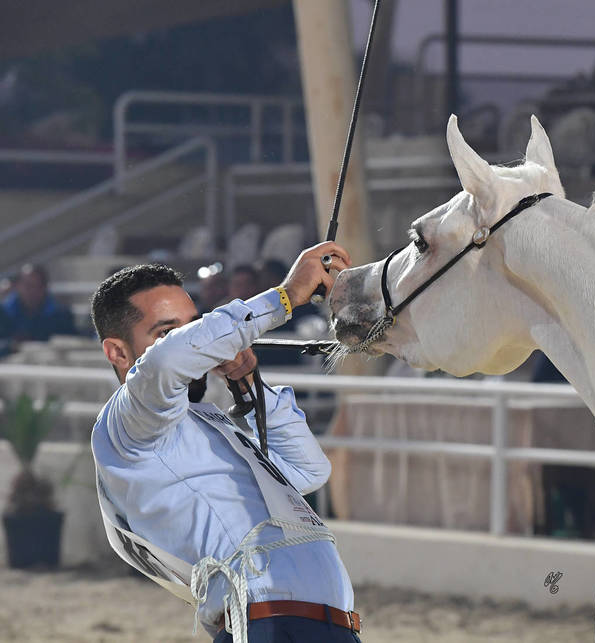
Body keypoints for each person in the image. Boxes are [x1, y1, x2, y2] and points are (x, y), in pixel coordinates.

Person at [89, 242, 362, 642]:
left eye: (194, 325)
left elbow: (308, 470)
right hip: (267, 626)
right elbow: (167, 361)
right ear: (117, 352)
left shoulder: (207, 421)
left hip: (321, 625)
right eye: (167, 332)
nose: (194, 341)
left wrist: (249, 386)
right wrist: (283, 297)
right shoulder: (127, 424)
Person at [0, 264, 78, 351]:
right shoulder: (3, 314)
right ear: (18, 286)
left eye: (37, 286)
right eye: (28, 286)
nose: (32, 291)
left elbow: (71, 345)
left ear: (45, 287)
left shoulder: (62, 316)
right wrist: (11, 346)